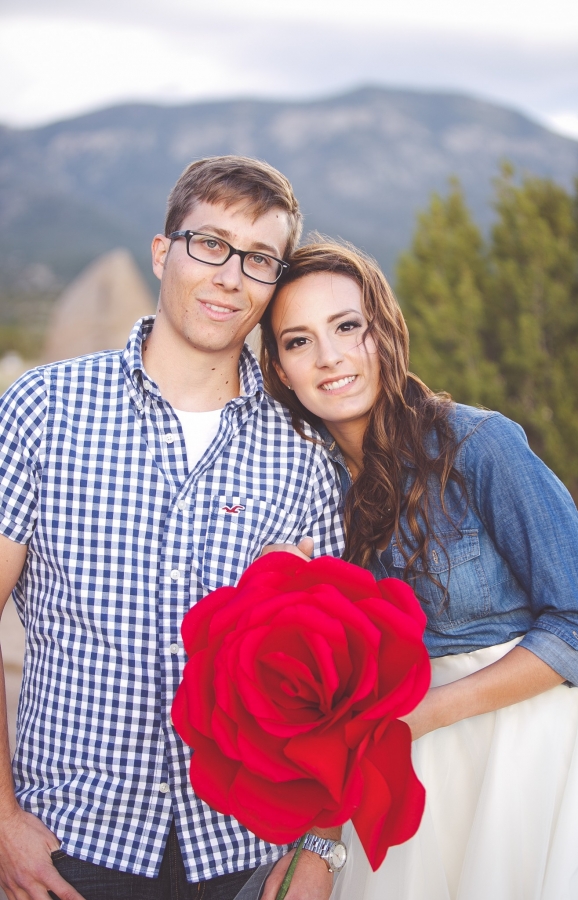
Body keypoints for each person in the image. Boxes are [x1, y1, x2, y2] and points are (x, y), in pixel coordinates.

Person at [0, 157, 345, 900]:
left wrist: (320, 846)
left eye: (258, 259)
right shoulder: (42, 410)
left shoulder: (306, 456)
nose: (229, 275)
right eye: (209, 244)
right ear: (164, 253)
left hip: (246, 849)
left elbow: (334, 680)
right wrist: (0, 820)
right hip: (68, 841)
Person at [260, 239, 578, 900]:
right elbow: (340, 706)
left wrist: (427, 713)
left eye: (347, 327)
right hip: (402, 787)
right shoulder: (308, 495)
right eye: (298, 342)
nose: (329, 357)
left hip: (527, 760)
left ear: (384, 330)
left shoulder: (479, 445)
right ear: (280, 368)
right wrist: (318, 844)